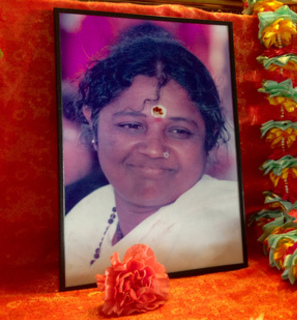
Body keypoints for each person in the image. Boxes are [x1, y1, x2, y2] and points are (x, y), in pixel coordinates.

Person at [64, 23, 244, 288]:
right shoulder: (85, 214)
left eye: (179, 131)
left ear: (210, 136)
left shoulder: (227, 227)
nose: (153, 149)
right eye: (132, 126)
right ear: (93, 123)